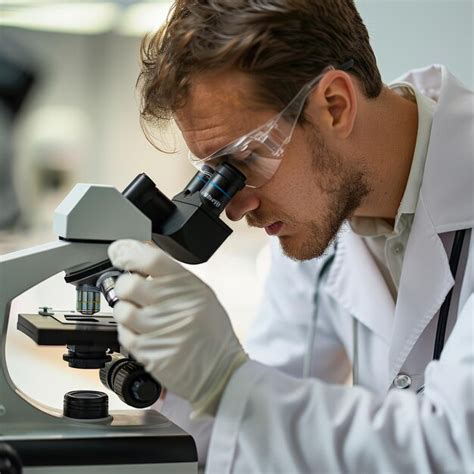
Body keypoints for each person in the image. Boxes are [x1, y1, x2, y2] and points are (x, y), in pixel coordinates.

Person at [107, 1, 474, 471]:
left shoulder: (313, 201)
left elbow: (452, 448)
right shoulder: (315, 215)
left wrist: (227, 381)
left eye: (243, 164)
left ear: (334, 105)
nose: (236, 207)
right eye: (213, 175)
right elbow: (275, 422)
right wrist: (183, 383)